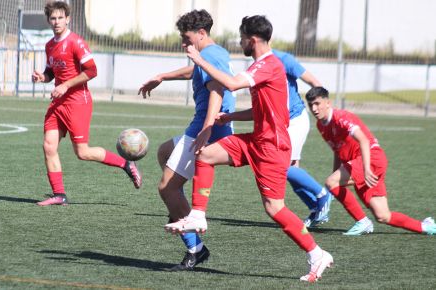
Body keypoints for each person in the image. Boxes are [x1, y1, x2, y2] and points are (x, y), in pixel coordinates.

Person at [165, 15, 333, 283]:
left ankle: (317, 254)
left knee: (274, 208)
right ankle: (197, 215)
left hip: (272, 148)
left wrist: (198, 59)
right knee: (205, 153)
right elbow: (260, 110)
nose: (239, 42)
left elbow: (231, 84)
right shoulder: (263, 65)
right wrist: (230, 118)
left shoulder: (268, 64)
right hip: (257, 139)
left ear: (252, 40)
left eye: (242, 38)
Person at [138, 10, 235, 271]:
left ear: (201, 34)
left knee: (166, 188)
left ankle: (196, 249)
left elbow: (217, 91)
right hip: (205, 127)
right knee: (163, 152)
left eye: (186, 38)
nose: (183, 43)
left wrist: (205, 130)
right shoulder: (212, 54)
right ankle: (179, 207)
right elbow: (194, 72)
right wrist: (162, 76)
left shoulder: (212, 55)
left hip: (206, 130)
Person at [32, 1, 141, 206]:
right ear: (49, 21)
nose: (56, 22)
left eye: (60, 18)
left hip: (77, 103)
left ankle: (126, 164)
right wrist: (42, 78)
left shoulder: (76, 42)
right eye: (53, 18)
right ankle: (59, 195)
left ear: (68, 19)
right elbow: (50, 73)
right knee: (48, 146)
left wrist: (65, 85)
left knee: (82, 152)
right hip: (58, 103)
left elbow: (91, 71)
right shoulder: (50, 45)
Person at [305, 86, 436, 236]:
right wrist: (336, 173)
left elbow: (364, 140)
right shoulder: (321, 125)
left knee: (331, 182)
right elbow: (337, 151)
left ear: (327, 103)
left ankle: (362, 221)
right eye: (310, 105)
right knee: (383, 215)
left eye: (317, 103)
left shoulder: (340, 117)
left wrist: (366, 169)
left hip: (372, 159)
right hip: (361, 163)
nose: (314, 108)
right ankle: (426, 227)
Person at [272, 49, 333, 228]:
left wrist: (323, 111)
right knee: (290, 171)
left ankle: (323, 195)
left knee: (281, 166)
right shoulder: (257, 64)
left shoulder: (283, 59)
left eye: (243, 37)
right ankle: (316, 208)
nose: (241, 41)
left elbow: (314, 82)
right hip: (281, 124)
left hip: (295, 120)